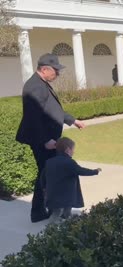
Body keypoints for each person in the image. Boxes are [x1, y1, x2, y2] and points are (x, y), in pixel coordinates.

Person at [16, 53, 86, 223]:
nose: (58, 74)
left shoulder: (41, 84)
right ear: (45, 69)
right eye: (56, 70)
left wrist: (72, 120)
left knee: (48, 174)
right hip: (43, 142)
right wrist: (45, 140)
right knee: (46, 175)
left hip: (48, 140)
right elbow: (33, 118)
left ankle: (48, 209)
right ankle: (40, 211)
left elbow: (52, 110)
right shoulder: (35, 87)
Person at [40, 137, 101, 222]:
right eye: (73, 149)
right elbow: (81, 171)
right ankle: (62, 225)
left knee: (55, 212)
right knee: (66, 212)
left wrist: (44, 188)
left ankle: (53, 226)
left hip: (52, 194)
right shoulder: (69, 162)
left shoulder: (49, 162)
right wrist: (95, 171)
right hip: (66, 196)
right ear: (68, 150)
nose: (74, 151)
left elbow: (43, 177)